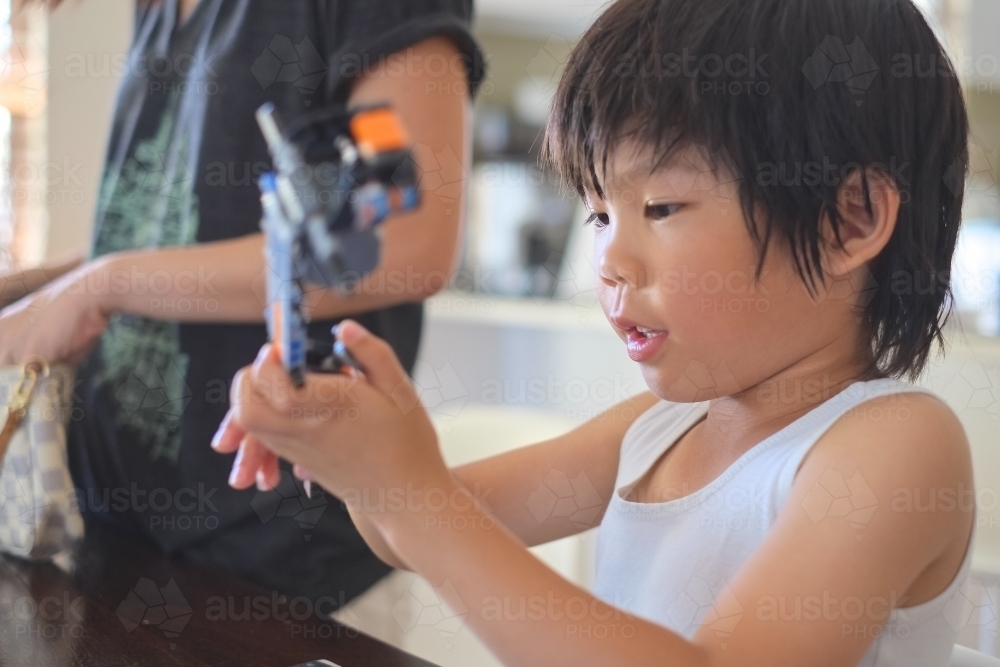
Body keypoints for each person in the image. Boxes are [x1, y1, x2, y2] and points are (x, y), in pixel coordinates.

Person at [214, 0, 979, 663]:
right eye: (600, 214)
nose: (607, 261)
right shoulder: (660, 428)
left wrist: (410, 492)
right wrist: (355, 450)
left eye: (661, 208)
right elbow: (405, 531)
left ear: (852, 219)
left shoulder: (896, 448)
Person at [0, 0, 484, 609]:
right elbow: (162, 225)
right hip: (110, 531)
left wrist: (100, 285)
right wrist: (45, 288)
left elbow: (410, 239)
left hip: (280, 564)